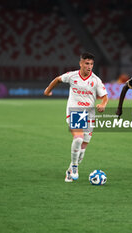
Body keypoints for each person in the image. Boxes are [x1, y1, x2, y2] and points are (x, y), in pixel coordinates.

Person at [44, 52, 108, 182]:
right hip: (75, 111)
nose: (89, 66)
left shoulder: (96, 80)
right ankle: (74, 167)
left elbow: (105, 96)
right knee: (78, 139)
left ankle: (69, 170)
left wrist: (103, 104)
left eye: (91, 64)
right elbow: (57, 79)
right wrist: (48, 90)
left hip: (89, 114)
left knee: (82, 149)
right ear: (81, 63)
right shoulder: (72, 76)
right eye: (86, 63)